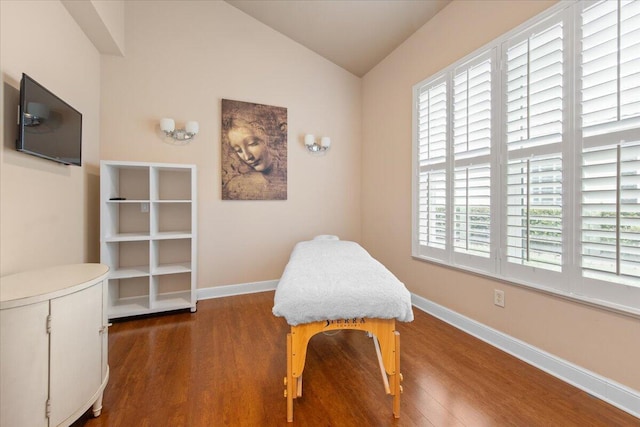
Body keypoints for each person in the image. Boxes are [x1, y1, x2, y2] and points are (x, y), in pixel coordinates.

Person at [222, 114, 287, 200]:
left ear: (269, 139)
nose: (247, 157)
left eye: (252, 144)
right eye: (238, 150)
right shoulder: (237, 187)